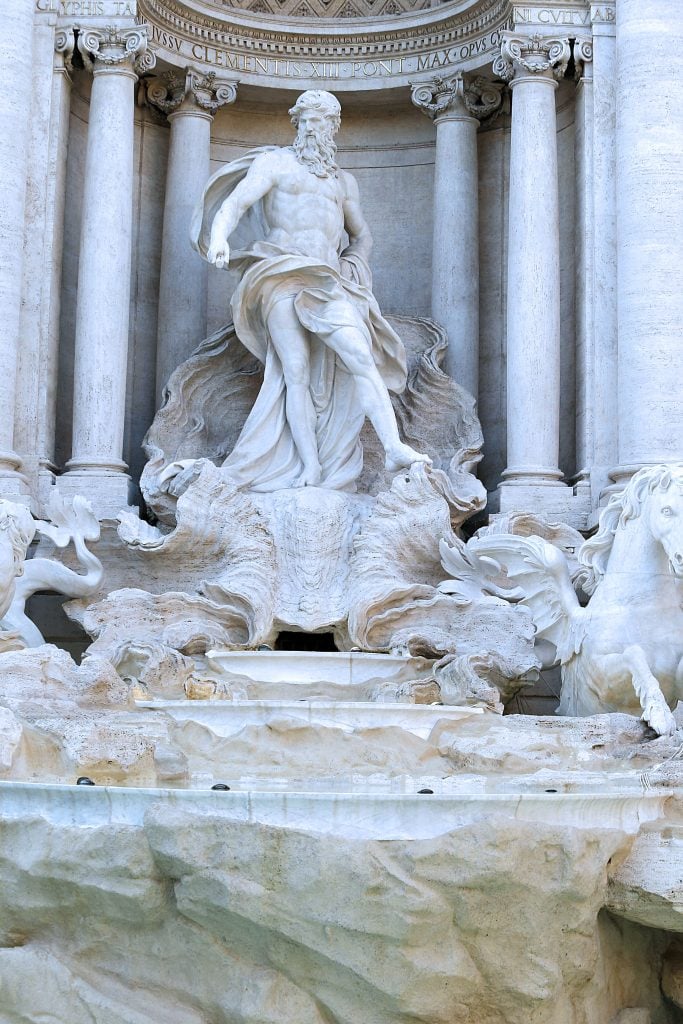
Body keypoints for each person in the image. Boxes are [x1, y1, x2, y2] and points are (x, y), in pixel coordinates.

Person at [191, 89, 430, 492]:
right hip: (279, 272)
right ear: (296, 123)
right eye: (307, 119)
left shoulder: (342, 182)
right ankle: (309, 468)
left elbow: (362, 234)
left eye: (323, 120)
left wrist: (355, 263)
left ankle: (392, 447)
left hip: (327, 279)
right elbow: (235, 203)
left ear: (334, 127)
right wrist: (219, 238)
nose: (314, 126)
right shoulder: (275, 163)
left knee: (361, 355)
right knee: (294, 372)